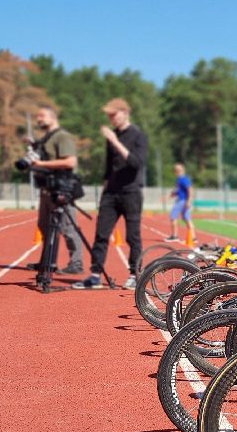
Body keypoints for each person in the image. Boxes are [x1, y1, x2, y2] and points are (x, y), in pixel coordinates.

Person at [76, 98, 148, 289]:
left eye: (113, 115)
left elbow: (136, 163)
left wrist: (115, 141)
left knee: (132, 236)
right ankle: (94, 274)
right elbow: (109, 168)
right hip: (111, 193)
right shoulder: (111, 137)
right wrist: (104, 190)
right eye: (108, 116)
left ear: (125, 112)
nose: (110, 119)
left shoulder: (137, 136)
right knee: (101, 234)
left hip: (131, 192)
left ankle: (135, 273)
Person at [25, 105, 83, 274]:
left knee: (67, 227)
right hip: (47, 189)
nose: (38, 119)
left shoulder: (62, 136)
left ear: (52, 117)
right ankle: (47, 261)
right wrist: (34, 146)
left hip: (62, 189)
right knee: (44, 226)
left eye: (42, 116)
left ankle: (76, 263)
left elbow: (70, 162)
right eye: (38, 116)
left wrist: (41, 164)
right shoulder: (46, 139)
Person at [167, 162, 193, 242]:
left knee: (173, 216)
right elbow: (179, 191)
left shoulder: (183, 179)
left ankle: (174, 236)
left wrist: (188, 201)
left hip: (182, 201)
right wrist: (170, 195)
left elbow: (189, 189)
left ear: (178, 171)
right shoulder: (179, 180)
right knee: (186, 218)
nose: (174, 172)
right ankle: (193, 237)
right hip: (183, 200)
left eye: (175, 170)